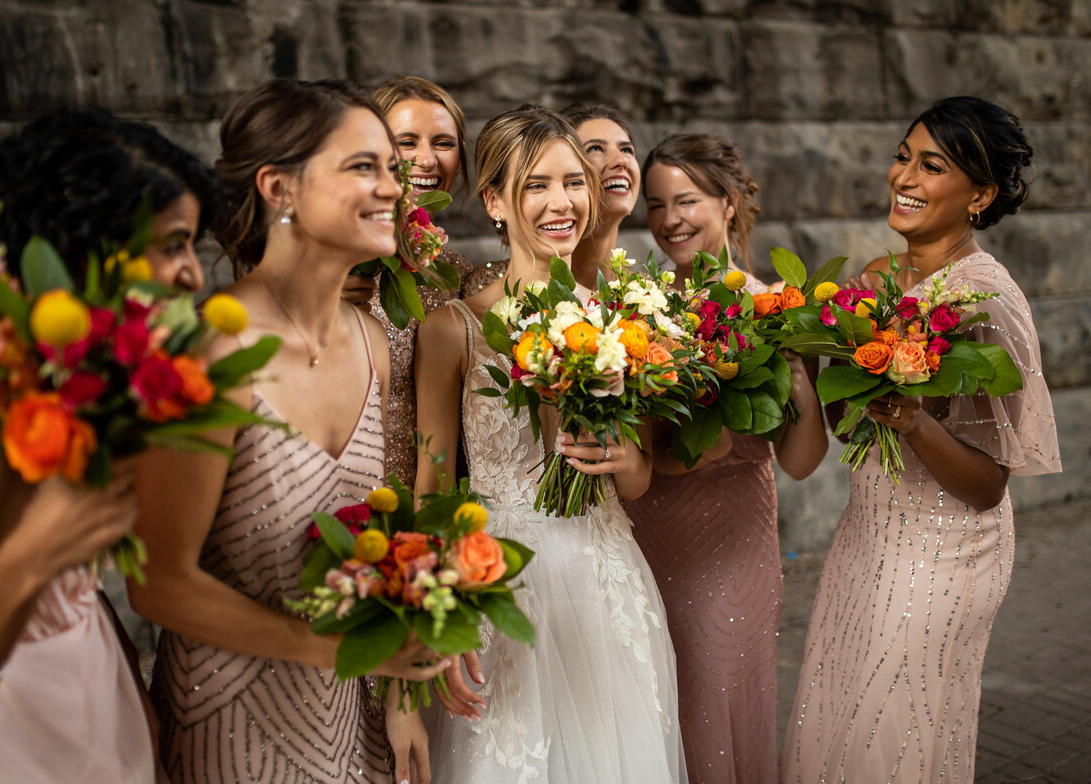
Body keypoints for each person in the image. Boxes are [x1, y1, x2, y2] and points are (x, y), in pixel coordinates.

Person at [127, 78, 449, 784]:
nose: (394, 188)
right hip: (231, 719)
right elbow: (158, 586)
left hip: (351, 716)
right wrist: (336, 649)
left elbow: (386, 539)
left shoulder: (371, 341)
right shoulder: (208, 351)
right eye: (364, 166)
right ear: (279, 188)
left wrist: (399, 688)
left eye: (392, 169)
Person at [0, 108, 219, 783]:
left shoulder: (63, 384)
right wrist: (29, 557)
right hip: (11, 722)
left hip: (94, 683)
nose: (194, 275)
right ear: (83, 243)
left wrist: (133, 684)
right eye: (175, 244)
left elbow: (77, 580)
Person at [781, 96, 1062, 782]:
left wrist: (913, 420)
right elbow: (848, 427)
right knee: (837, 714)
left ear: (981, 194)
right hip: (868, 534)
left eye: (931, 165)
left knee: (895, 730)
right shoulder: (875, 282)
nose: (904, 176)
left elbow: (987, 484)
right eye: (903, 156)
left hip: (947, 550)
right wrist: (798, 353)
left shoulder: (985, 302)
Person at [415, 104, 687, 783]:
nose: (561, 202)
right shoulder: (455, 329)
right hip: (503, 579)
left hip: (606, 576)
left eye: (574, 182)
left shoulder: (621, 316)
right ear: (497, 202)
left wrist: (626, 460)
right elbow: (430, 488)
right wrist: (442, 619)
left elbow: (635, 482)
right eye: (536, 185)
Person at [626, 133, 827, 783]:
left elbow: (800, 460)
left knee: (720, 697)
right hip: (649, 530)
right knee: (656, 703)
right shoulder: (642, 313)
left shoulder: (770, 309)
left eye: (685, 200)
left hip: (734, 537)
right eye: (654, 206)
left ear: (729, 203)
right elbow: (647, 450)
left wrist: (795, 370)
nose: (669, 220)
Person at [360, 75, 475, 489]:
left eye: (443, 143)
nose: (427, 160)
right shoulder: (333, 268)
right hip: (339, 499)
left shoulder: (461, 277)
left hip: (430, 504)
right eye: (406, 142)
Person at [561, 101, 641, 289]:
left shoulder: (657, 301)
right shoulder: (492, 291)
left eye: (626, 150)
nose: (621, 161)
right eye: (596, 148)